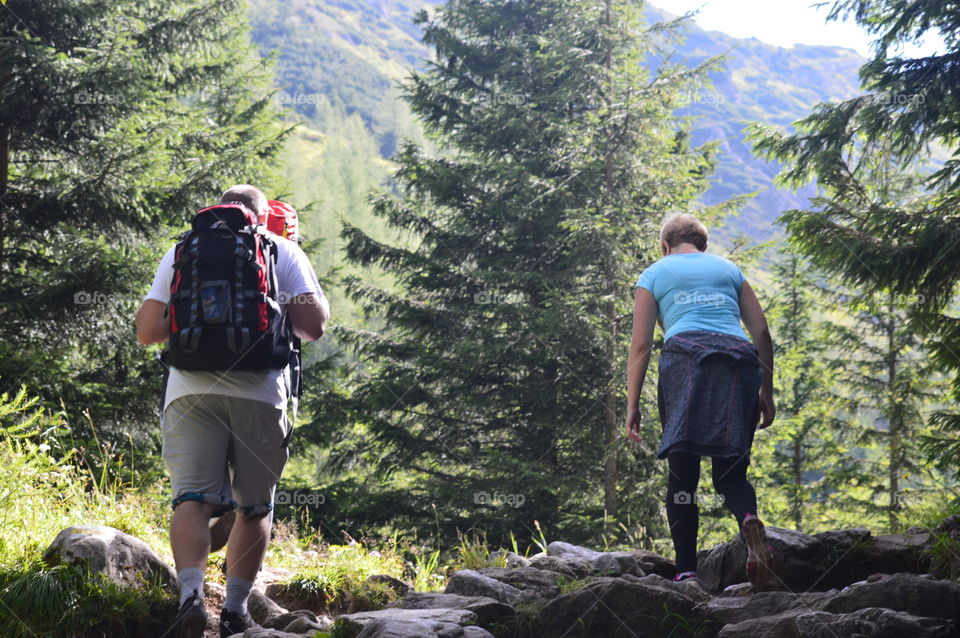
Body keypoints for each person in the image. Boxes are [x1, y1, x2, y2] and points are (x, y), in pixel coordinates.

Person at [135, 185, 330, 638]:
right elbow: (312, 327)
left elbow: (148, 331)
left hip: (189, 391)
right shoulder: (280, 249)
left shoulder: (184, 249)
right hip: (260, 392)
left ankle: (190, 599)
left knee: (191, 500)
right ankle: (236, 611)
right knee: (253, 507)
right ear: (262, 217)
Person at [624, 213, 776, 587]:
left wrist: (632, 405)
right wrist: (766, 390)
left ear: (665, 246)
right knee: (731, 473)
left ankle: (687, 571)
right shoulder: (729, 270)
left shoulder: (655, 272)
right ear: (703, 245)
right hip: (739, 361)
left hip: (688, 362)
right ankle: (748, 521)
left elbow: (641, 344)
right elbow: (761, 331)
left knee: (682, 477)